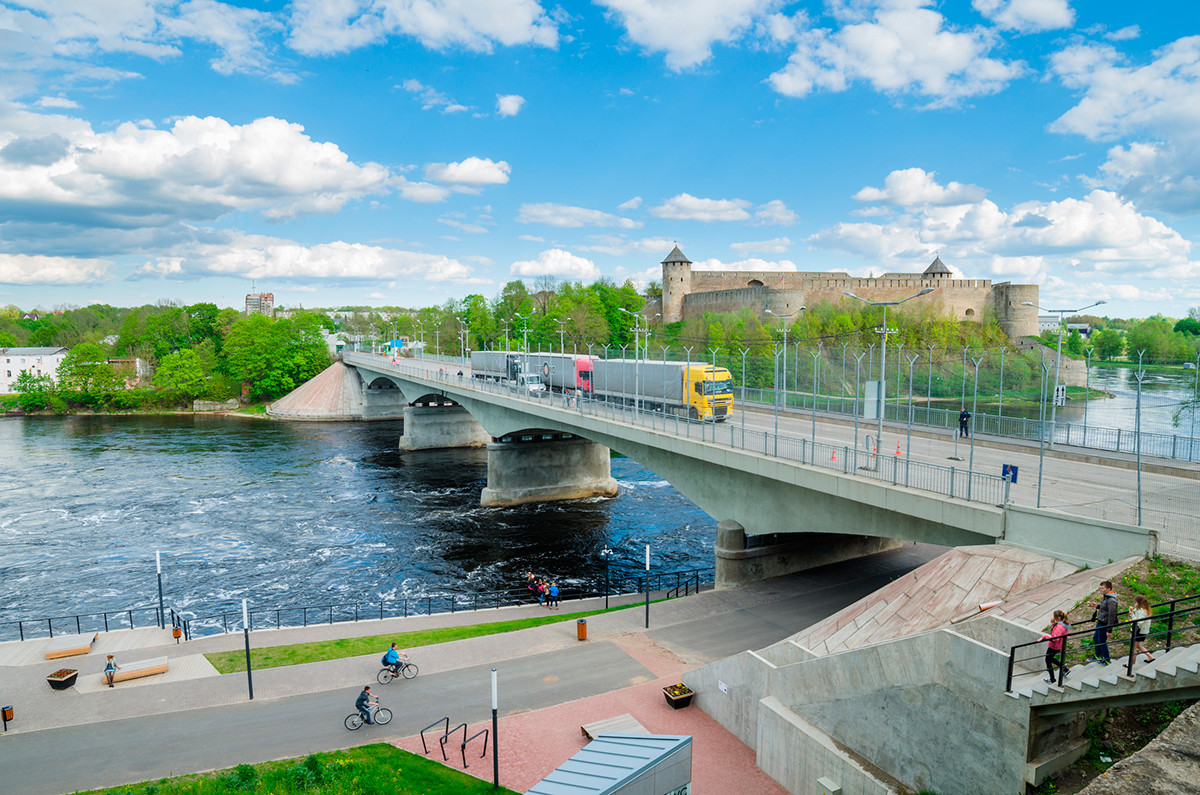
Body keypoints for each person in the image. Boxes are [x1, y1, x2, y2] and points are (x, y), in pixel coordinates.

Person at [1092, 580, 1118, 665]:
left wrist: (1109, 630)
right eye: (1100, 588)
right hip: (1100, 621)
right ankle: (1098, 656)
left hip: (1104, 623)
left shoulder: (1111, 600)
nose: (1101, 590)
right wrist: (1097, 606)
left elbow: (1112, 615)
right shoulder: (1106, 597)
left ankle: (1107, 660)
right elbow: (1105, 608)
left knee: (1102, 641)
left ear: (1108, 589)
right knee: (1096, 638)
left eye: (1102, 588)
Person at [1040, 610, 1070, 684]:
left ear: (1058, 617)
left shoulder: (1059, 627)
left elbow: (1055, 638)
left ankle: (1052, 679)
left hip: (1054, 646)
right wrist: (1054, 624)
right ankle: (1064, 669)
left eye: (1054, 616)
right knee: (1050, 659)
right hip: (1059, 646)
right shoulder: (1063, 624)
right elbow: (1057, 634)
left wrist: (1044, 637)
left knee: (1048, 660)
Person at [1130, 595, 1155, 663]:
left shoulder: (1142, 611)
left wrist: (1132, 615)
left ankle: (1131, 664)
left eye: (1136, 602)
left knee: (1133, 648)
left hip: (1139, 631)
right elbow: (1137, 612)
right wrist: (1135, 609)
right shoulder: (1146, 609)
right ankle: (1150, 657)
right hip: (1142, 631)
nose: (1135, 604)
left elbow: (1139, 622)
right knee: (1138, 646)